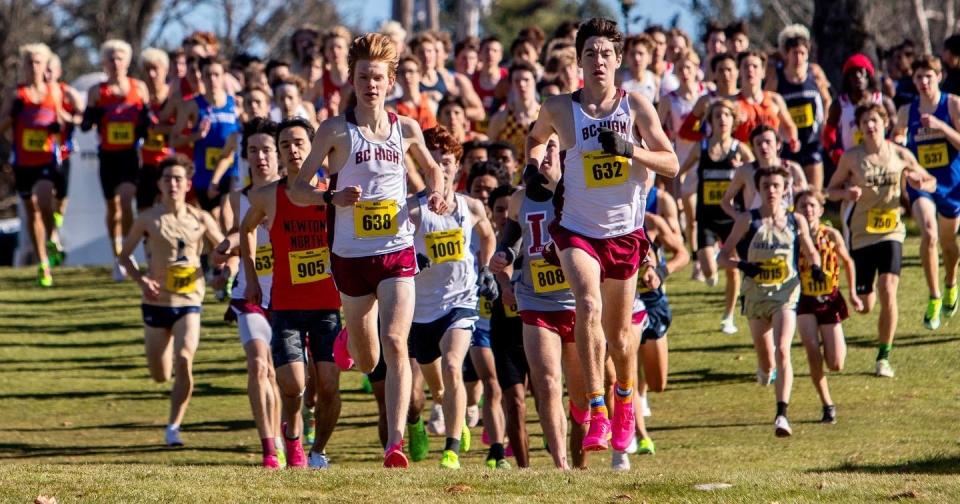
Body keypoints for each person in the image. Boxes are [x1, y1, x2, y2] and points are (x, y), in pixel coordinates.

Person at [291, 33, 447, 468]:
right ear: (352, 80)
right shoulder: (335, 130)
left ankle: (394, 443)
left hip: (396, 250)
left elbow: (435, 172)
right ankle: (349, 338)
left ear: (391, 80)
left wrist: (439, 194)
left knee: (397, 340)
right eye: (363, 77)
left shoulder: (406, 129)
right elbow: (299, 188)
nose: (371, 85)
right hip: (350, 257)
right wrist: (330, 197)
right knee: (367, 358)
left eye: (378, 77)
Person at [525, 17, 679, 453]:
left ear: (618, 59)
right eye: (590, 52)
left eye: (606, 53)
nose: (598, 60)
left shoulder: (637, 107)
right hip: (577, 230)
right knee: (586, 304)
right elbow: (535, 138)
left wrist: (630, 149)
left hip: (624, 234)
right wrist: (535, 168)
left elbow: (671, 164)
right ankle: (596, 410)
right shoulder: (559, 107)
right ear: (579, 59)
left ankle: (624, 398)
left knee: (620, 337)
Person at [240, 118, 345, 469]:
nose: (293, 150)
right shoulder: (269, 195)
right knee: (293, 385)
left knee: (328, 384)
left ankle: (320, 452)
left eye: (299, 142)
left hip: (327, 304)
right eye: (285, 144)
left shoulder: (332, 190)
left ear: (314, 147)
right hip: (285, 305)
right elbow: (246, 230)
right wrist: (251, 277)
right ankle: (293, 436)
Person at [491, 135, 589, 470]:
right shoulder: (520, 199)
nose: (544, 155)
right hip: (536, 300)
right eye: (539, 149)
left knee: (579, 397)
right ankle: (560, 464)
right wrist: (503, 253)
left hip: (577, 302)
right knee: (547, 383)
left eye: (551, 148)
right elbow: (512, 236)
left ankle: (580, 460)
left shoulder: (581, 194)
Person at [118, 154, 224, 447]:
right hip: (156, 303)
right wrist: (142, 280)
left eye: (178, 179)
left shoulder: (201, 218)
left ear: (188, 184)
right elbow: (124, 256)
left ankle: (173, 426)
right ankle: (169, 388)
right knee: (160, 374)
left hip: (189, 300)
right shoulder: (148, 218)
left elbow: (225, 248)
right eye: (168, 179)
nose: (173, 184)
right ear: (159, 185)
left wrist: (223, 270)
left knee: (185, 359)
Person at [408, 126, 497, 469]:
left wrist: (485, 269)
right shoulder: (412, 211)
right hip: (421, 309)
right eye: (435, 161)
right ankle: (449, 410)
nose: (442, 168)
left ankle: (451, 449)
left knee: (452, 365)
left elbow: (488, 236)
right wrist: (412, 261)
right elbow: (394, 246)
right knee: (439, 387)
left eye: (448, 162)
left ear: (457, 169)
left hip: (460, 301)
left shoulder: (470, 206)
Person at [826, 103, 935, 378]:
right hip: (862, 235)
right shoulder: (852, 157)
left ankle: (883, 357)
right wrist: (846, 193)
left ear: (884, 123)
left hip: (891, 232)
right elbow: (830, 190)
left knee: (888, 291)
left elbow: (930, 179)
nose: (870, 126)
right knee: (865, 305)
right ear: (860, 128)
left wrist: (921, 184)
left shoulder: (899, 153)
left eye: (874, 121)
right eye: (865, 123)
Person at [718, 166, 823, 437]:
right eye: (766, 186)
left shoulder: (795, 221)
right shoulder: (747, 220)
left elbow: (811, 250)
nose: (772, 191)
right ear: (759, 190)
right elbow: (723, 256)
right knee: (767, 361)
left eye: (777, 186)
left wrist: (817, 267)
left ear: (786, 189)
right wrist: (743, 266)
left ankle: (782, 415)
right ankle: (765, 372)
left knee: (782, 349)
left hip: (785, 293)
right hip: (755, 296)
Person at [216, 118, 284, 468]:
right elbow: (235, 233)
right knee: (259, 364)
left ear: (279, 155)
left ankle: (290, 436)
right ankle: (269, 448)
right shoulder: (238, 197)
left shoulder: (293, 193)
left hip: (289, 298)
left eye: (267, 150)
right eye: (253, 151)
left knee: (285, 378)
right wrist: (224, 247)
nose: (260, 157)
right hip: (250, 296)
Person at [893, 55, 960, 330]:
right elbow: (896, 143)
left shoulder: (953, 104)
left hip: (951, 184)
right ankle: (933, 297)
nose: (923, 82)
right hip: (921, 183)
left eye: (928, 77)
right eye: (918, 77)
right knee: (929, 234)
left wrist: (941, 127)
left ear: (939, 77)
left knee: (948, 244)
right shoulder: (906, 111)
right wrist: (900, 148)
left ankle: (950, 282)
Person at [678, 99, 753, 333]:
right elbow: (679, 171)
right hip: (707, 218)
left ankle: (728, 317)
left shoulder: (740, 149)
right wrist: (678, 192)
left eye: (726, 116)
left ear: (733, 120)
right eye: (717, 116)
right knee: (710, 270)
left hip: (732, 218)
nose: (722, 120)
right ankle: (711, 272)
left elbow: (756, 175)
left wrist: (742, 168)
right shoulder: (701, 147)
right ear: (709, 121)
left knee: (733, 269)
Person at [0, 44, 69, 286]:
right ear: (23, 65)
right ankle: (43, 263)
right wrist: (12, 116)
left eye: (38, 62)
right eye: (29, 62)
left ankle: (52, 238)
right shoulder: (16, 94)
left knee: (44, 197)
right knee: (32, 214)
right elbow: (2, 126)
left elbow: (62, 122)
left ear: (45, 65)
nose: (33, 66)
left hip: (47, 159)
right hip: (23, 163)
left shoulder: (54, 91)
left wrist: (58, 128)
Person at [81, 39, 150, 281]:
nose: (115, 62)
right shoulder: (97, 91)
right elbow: (86, 124)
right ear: (104, 63)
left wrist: (145, 126)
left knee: (127, 199)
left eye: (120, 57)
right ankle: (116, 256)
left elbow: (147, 120)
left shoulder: (139, 88)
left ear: (128, 61)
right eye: (110, 58)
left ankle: (127, 255)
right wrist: (92, 115)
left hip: (129, 155)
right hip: (107, 156)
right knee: (113, 208)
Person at [794, 190, 862, 425]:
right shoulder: (793, 238)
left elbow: (848, 262)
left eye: (812, 205)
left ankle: (830, 346)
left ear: (821, 210)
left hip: (830, 299)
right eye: (802, 205)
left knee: (836, 364)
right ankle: (827, 405)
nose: (808, 209)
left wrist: (852, 293)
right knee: (812, 351)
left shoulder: (831, 235)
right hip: (804, 300)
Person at [172, 57, 242, 219]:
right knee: (212, 219)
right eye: (208, 75)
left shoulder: (235, 104)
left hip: (232, 171)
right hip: (204, 174)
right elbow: (174, 140)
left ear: (224, 76)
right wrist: (196, 135)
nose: (212, 79)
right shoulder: (192, 105)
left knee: (227, 215)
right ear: (201, 77)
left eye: (216, 75)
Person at [766, 24, 831, 190]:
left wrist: (825, 126)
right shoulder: (777, 76)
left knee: (814, 192)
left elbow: (826, 100)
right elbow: (768, 102)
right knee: (790, 192)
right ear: (787, 54)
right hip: (788, 142)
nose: (799, 57)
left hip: (812, 140)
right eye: (794, 53)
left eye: (802, 53)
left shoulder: (814, 73)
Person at [823, 54, 898, 165]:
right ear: (848, 78)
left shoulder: (883, 102)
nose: (858, 77)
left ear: (868, 75)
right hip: (851, 162)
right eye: (853, 73)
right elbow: (828, 133)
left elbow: (897, 130)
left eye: (861, 72)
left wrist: (889, 144)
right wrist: (833, 152)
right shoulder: (839, 105)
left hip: (881, 159)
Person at [721, 125, 807, 217]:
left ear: (778, 144)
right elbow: (725, 202)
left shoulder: (792, 168)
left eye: (768, 142)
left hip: (786, 226)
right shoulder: (745, 171)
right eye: (758, 143)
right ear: (753, 148)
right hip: (757, 227)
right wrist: (740, 219)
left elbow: (806, 200)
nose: (763, 146)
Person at [140, 48, 174, 211]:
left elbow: (184, 129)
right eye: (147, 70)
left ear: (166, 70)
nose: (151, 74)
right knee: (144, 210)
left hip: (169, 162)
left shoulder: (174, 97)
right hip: (144, 163)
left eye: (155, 69)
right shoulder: (139, 97)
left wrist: (160, 128)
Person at [487, 62, 540, 165]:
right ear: (511, 85)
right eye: (517, 81)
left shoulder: (544, 115)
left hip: (536, 174)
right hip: (509, 176)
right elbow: (490, 147)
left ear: (534, 82)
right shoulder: (501, 117)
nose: (521, 84)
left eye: (526, 80)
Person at [387, 56, 438, 131]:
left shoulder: (432, 103)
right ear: (397, 78)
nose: (406, 76)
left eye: (411, 71)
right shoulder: (391, 107)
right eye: (402, 72)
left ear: (420, 75)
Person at [618, 34, 659, 104]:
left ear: (649, 57)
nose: (636, 58)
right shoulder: (618, 78)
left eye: (641, 53)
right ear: (625, 56)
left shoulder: (655, 80)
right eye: (632, 54)